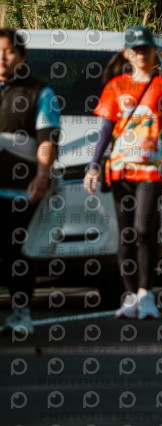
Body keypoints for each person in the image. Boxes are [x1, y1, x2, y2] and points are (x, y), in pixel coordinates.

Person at [83, 25, 162, 320]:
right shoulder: (115, 87)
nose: (141, 55)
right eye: (136, 50)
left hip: (154, 168)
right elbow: (105, 130)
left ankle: (146, 292)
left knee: (144, 228)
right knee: (127, 232)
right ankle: (130, 295)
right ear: (127, 54)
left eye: (146, 49)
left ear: (154, 52)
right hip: (120, 168)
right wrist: (94, 165)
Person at [0, 28, 61, 337]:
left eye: (9, 51)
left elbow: (47, 139)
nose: (2, 58)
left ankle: (21, 313)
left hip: (18, 191)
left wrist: (42, 175)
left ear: (21, 57)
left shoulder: (39, 92)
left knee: (16, 253)